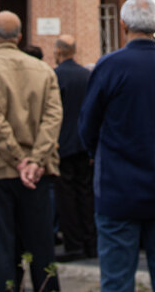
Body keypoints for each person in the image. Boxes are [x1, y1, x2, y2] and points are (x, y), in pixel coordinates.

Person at [79, 0, 155, 292]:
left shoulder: (110, 66)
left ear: (123, 25)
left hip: (118, 188)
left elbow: (88, 124)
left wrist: (95, 152)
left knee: (117, 280)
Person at [0, 11, 63, 292]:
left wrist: (19, 160)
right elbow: (53, 118)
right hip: (37, 172)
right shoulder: (43, 70)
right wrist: (35, 160)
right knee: (42, 247)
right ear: (20, 37)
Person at [53, 34, 96, 262]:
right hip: (84, 143)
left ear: (59, 51)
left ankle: (74, 244)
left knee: (66, 197)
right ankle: (91, 242)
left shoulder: (55, 76)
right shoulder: (87, 75)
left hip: (63, 144)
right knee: (86, 193)